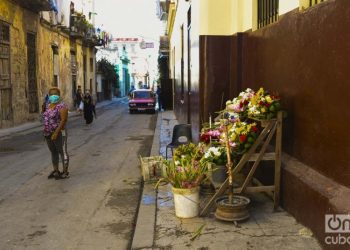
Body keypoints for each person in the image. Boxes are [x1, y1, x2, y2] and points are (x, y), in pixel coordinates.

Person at [42, 87, 69, 179]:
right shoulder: (47, 105)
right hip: (48, 133)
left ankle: (65, 172)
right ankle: (56, 171)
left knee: (62, 151)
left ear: (58, 95)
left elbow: (63, 120)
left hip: (59, 132)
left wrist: (56, 133)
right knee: (53, 152)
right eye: (51, 94)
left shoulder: (62, 106)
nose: (53, 96)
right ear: (49, 96)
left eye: (55, 94)